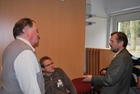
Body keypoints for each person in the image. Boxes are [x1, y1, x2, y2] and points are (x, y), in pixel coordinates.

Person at [1, 18, 45, 94]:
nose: (38, 34)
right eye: (36, 30)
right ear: (27, 30)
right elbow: (31, 90)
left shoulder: (9, 48)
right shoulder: (25, 53)